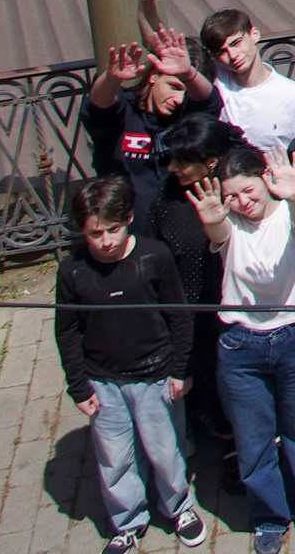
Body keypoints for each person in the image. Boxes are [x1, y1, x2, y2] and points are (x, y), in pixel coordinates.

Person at [188, 143, 295, 554]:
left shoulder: (291, 214)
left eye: (248, 191)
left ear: (265, 180)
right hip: (241, 346)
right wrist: (214, 220)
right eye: (232, 194)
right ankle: (269, 518)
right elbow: (219, 233)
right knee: (253, 442)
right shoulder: (230, 222)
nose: (242, 202)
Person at [55, 176, 205, 554]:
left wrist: (178, 369)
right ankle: (127, 521)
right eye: (95, 233)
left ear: (129, 218)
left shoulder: (154, 256)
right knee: (114, 459)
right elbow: (67, 332)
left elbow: (178, 316)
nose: (106, 242)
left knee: (164, 449)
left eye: (114, 229)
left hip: (155, 376)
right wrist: (79, 386)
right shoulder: (72, 272)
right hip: (102, 381)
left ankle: (179, 507)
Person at [143, 113, 243, 447]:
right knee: (212, 385)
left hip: (242, 311)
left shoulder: (241, 189)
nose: (172, 168)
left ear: (211, 163)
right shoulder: (170, 197)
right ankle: (229, 444)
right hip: (196, 317)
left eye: (182, 162)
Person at [87, 0, 221, 222]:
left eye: (184, 88)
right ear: (152, 77)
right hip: (128, 226)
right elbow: (99, 105)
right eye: (172, 86)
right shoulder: (124, 109)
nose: (178, 99)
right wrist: (112, 78)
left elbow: (208, 100)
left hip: (182, 222)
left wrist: (188, 72)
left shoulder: (187, 114)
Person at [205, 9, 295, 153]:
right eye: (222, 51)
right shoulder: (216, 81)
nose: (233, 55)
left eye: (236, 43)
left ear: (254, 34)